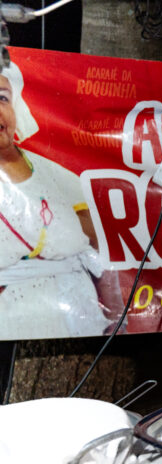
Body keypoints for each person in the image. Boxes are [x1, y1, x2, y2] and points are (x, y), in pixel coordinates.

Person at [0, 62, 116, 339]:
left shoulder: (54, 172)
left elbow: (100, 250)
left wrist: (115, 317)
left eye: (2, 97)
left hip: (77, 315)